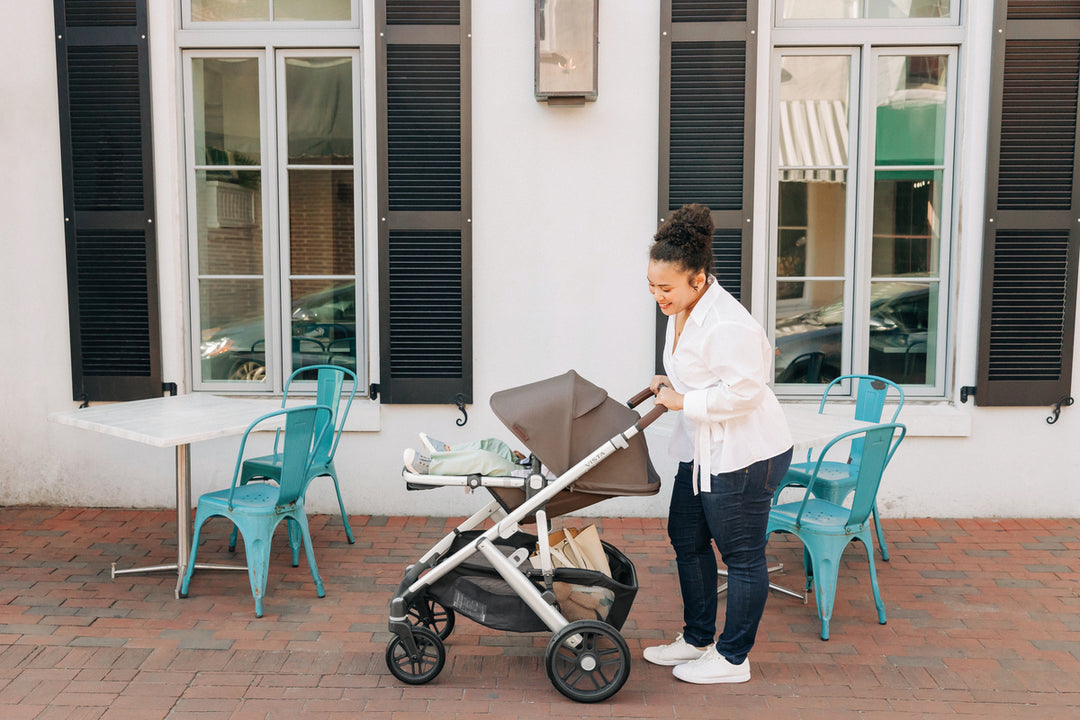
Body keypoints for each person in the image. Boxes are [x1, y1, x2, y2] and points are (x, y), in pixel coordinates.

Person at [642, 203, 793, 685]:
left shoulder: (728, 323)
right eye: (652, 285)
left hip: (744, 454)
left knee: (742, 554)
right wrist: (674, 381)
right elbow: (706, 372)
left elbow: (745, 392)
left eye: (665, 288)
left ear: (699, 279)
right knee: (686, 537)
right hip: (703, 448)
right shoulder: (683, 310)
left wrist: (684, 400)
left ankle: (732, 659)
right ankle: (696, 638)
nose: (657, 296)